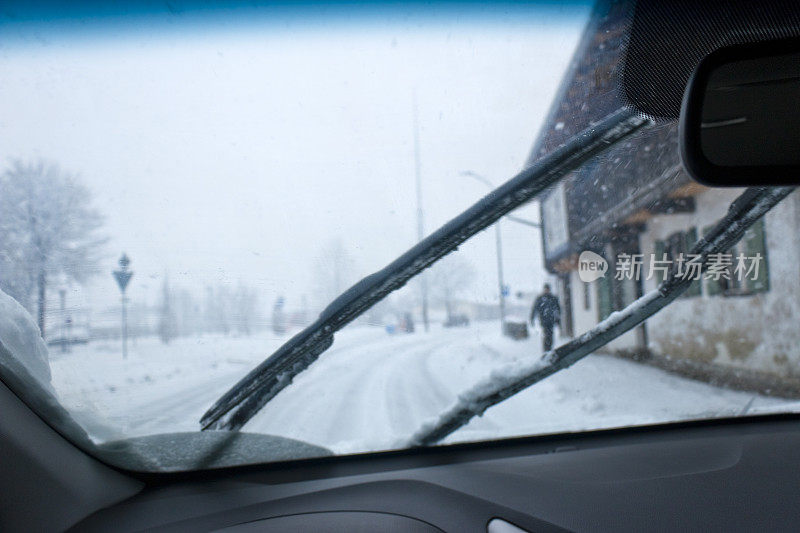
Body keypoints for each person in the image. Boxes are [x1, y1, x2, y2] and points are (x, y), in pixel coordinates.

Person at [530, 283, 561, 352]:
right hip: (543, 320)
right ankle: (546, 349)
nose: (546, 290)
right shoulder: (540, 299)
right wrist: (532, 318)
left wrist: (558, 319)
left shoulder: (553, 298)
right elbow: (535, 309)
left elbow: (558, 309)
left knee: (550, 334)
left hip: (551, 319)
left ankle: (549, 349)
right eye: (546, 289)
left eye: (547, 289)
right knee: (546, 334)